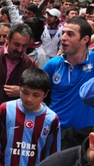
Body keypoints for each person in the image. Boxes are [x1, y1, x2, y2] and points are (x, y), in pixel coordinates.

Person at [43, 16, 94, 149]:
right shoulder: (52, 65)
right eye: (63, 33)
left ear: (85, 39)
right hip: (57, 134)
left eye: (70, 34)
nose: (63, 37)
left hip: (87, 136)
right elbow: (41, 97)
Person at [0, 68, 61, 166]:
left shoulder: (51, 119)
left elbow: (53, 153)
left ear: (45, 94)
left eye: (36, 95)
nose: (29, 99)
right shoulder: (5, 109)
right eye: (25, 92)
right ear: (19, 88)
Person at [0, 23, 37, 108]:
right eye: (16, 44)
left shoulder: (30, 64)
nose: (20, 49)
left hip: (12, 113)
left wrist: (22, 91)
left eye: (24, 46)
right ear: (7, 39)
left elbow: (36, 91)